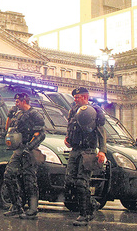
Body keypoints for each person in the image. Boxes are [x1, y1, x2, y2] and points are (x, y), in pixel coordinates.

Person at [64, 87, 106, 227]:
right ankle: (92, 204)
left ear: (85, 97)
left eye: (78, 97)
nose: (75, 99)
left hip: (88, 151)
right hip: (75, 149)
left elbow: (101, 131)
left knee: (82, 182)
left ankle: (84, 214)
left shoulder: (94, 111)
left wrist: (102, 150)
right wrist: (67, 138)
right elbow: (70, 127)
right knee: (70, 180)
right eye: (75, 97)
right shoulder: (73, 110)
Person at [3, 93, 45, 219]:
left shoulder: (35, 114)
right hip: (19, 149)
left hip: (30, 149)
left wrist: (30, 147)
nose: (15, 104)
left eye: (17, 102)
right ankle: (16, 205)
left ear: (23, 101)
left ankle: (32, 209)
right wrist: (9, 116)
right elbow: (8, 129)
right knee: (9, 175)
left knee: (29, 179)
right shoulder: (18, 114)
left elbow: (41, 134)